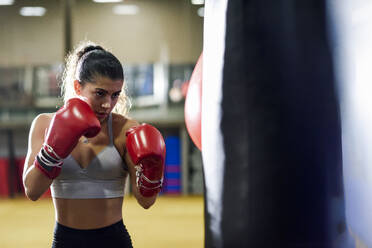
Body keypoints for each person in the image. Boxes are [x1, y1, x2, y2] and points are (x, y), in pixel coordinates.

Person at [22, 40, 166, 248]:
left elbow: (146, 202)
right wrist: (53, 152)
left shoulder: (124, 129)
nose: (108, 104)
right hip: (65, 241)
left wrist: (153, 170)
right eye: (100, 93)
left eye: (115, 95)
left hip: (114, 241)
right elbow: (32, 191)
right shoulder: (45, 124)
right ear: (77, 86)